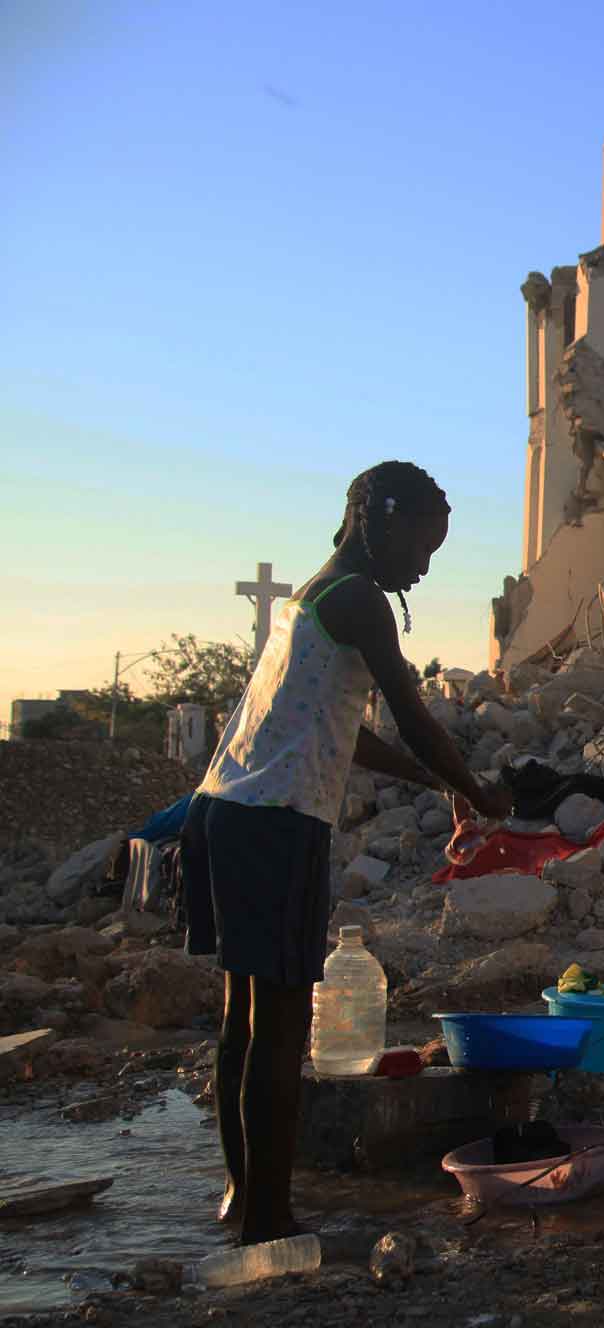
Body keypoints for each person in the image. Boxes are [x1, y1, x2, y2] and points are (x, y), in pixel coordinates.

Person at [182, 461, 511, 1243]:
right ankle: (271, 1216)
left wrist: (437, 789)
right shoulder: (362, 599)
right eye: (422, 548)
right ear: (381, 521)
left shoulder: (311, 599)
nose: (424, 569)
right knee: (283, 1024)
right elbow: (413, 714)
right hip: (278, 823)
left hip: (223, 810)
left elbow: (347, 733)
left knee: (243, 1021)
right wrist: (480, 790)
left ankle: (243, 1194)